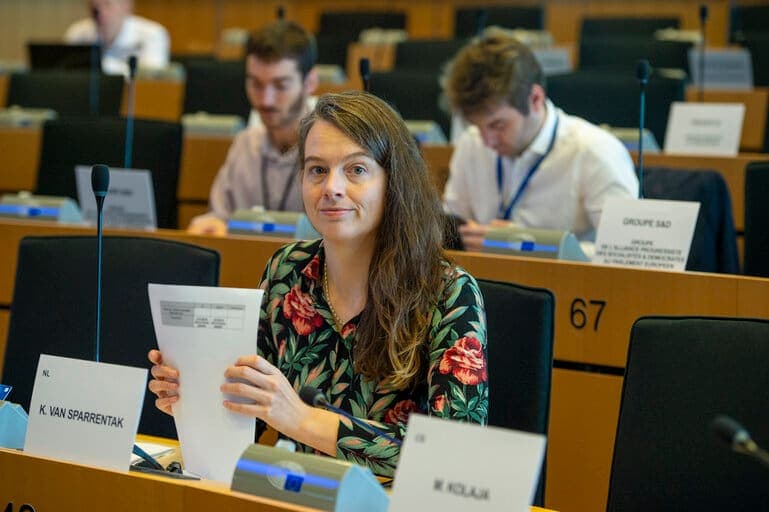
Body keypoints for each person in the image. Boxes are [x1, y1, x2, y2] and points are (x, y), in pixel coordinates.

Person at [148, 91, 488, 477]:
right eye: (317, 170)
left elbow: (456, 456)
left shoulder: (449, 292)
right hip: (293, 492)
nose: (331, 188)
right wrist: (194, 397)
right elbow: (250, 411)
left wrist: (302, 420)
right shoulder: (286, 271)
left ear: (393, 182)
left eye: (356, 170)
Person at [442, 28, 639, 252]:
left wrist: (532, 246)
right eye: (477, 126)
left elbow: (625, 252)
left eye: (498, 125)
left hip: (566, 275)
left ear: (535, 99)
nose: (487, 142)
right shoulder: (471, 142)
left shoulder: (596, 151)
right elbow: (451, 232)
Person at [188, 21, 318, 236]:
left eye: (280, 85)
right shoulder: (244, 143)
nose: (266, 100)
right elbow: (218, 217)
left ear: (310, 82)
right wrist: (209, 226)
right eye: (256, 84)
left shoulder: (330, 148)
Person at [64, 0, 169, 75]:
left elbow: (152, 78)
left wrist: (104, 65)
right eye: (94, 6)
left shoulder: (152, 34)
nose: (99, 12)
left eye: (107, 4)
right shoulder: (78, 34)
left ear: (126, 5)